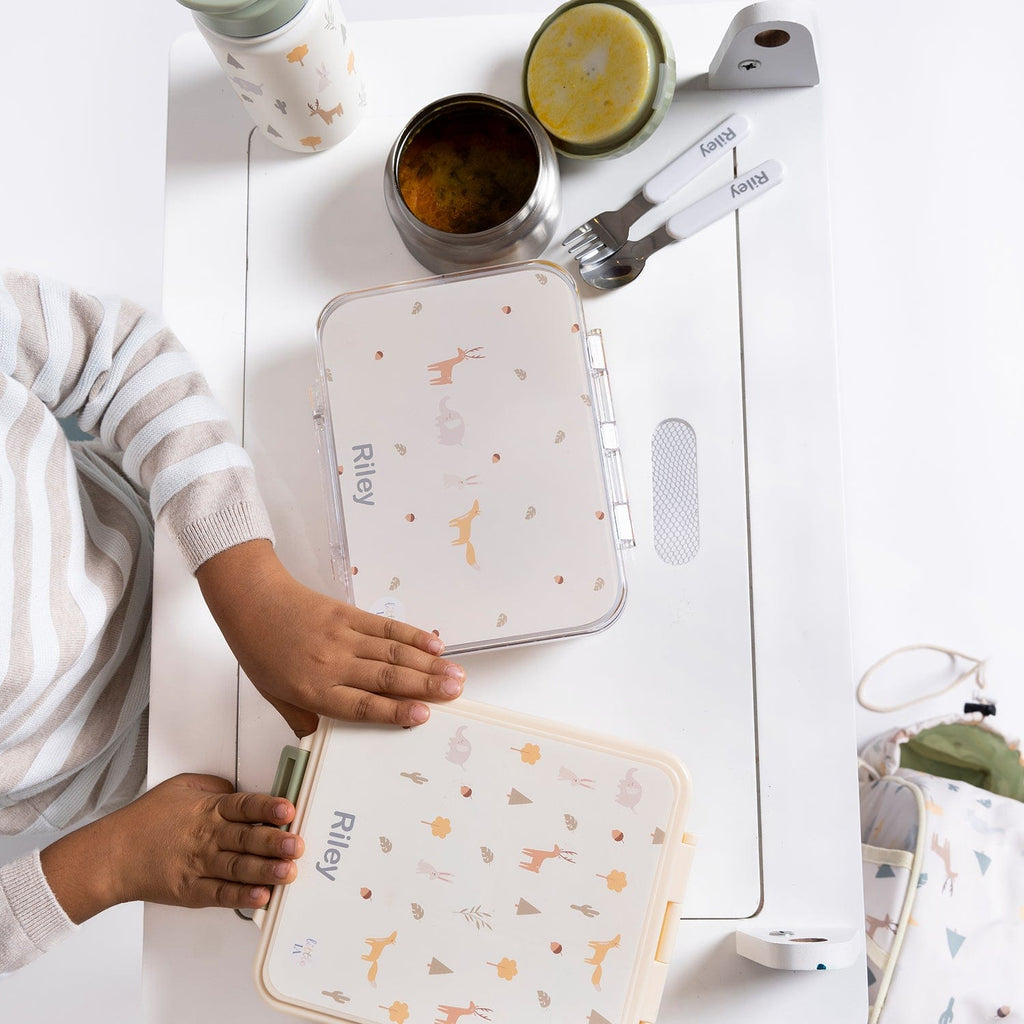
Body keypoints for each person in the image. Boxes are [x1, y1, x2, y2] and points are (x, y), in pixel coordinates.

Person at [0, 269, 467, 972]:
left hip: (192, 528)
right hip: (138, 791)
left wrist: (246, 580)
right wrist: (109, 865)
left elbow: (116, 355)